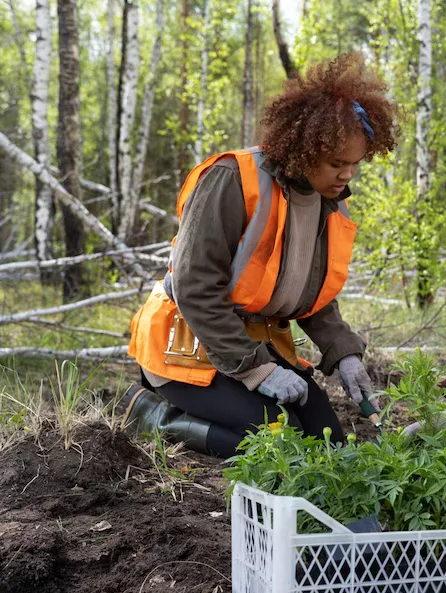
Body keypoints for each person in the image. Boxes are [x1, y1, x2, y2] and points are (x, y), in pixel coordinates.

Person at [123, 53, 397, 457]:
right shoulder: (232, 179)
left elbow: (306, 294)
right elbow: (193, 288)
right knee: (278, 442)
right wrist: (256, 369)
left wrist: (343, 352)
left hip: (253, 344)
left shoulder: (328, 199)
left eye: (355, 164)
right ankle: (151, 414)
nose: (347, 175)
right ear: (304, 149)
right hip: (188, 342)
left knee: (328, 444)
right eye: (337, 163)